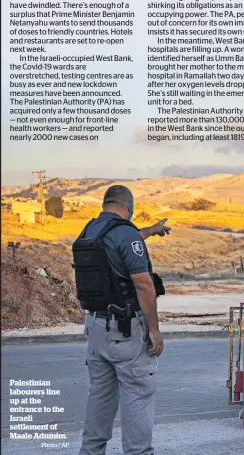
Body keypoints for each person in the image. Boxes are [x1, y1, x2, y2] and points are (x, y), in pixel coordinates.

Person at [77, 184, 171, 455]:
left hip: (96, 327)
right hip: (125, 331)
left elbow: (118, 246)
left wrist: (149, 232)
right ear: (129, 207)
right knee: (138, 396)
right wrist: (154, 330)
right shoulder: (125, 233)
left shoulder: (90, 229)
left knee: (100, 398)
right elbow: (143, 285)